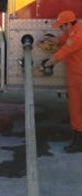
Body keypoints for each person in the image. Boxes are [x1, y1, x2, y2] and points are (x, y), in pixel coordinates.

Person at [43, 10, 82, 153]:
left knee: (77, 109)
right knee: (75, 108)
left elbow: (62, 52)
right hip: (75, 76)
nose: (60, 28)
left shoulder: (78, 36)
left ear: (67, 24)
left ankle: (79, 142)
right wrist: (47, 38)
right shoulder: (73, 31)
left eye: (61, 26)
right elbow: (61, 41)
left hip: (79, 78)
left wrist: (45, 65)